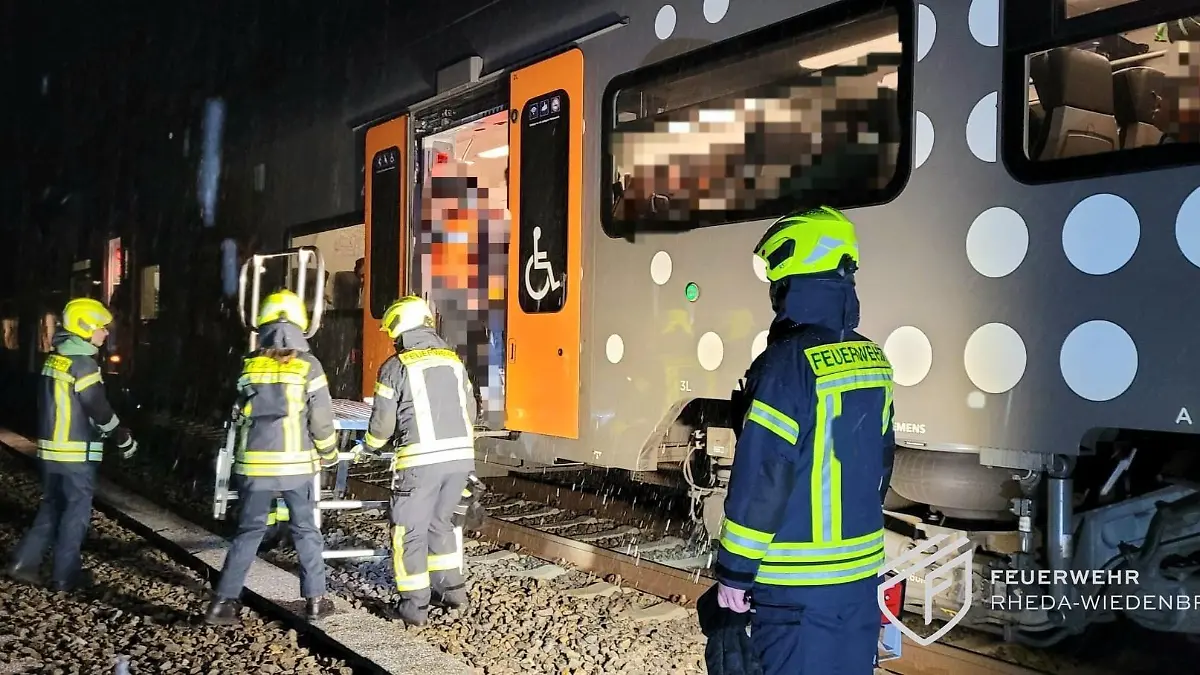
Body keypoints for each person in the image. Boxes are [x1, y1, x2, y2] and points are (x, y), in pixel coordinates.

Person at [713, 206, 896, 675]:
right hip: (857, 583)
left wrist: (734, 574)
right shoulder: (873, 361)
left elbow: (763, 481)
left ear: (793, 282)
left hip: (794, 594)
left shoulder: (783, 366)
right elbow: (881, 466)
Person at [204, 289, 338, 625]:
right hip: (296, 467)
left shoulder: (248, 367)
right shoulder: (309, 367)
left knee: (248, 532)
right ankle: (315, 601)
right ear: (301, 324)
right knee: (306, 530)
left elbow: (236, 413)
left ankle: (223, 602)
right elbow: (321, 420)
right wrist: (330, 454)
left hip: (254, 468)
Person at [5, 298, 137, 592]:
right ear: (84, 328)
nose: (105, 333)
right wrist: (120, 435)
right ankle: (65, 575)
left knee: (52, 507)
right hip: (75, 453)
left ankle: (23, 562)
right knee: (76, 513)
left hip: (51, 450)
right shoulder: (83, 364)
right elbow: (97, 406)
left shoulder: (56, 359)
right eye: (101, 328)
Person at [361, 295, 476, 626]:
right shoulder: (453, 361)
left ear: (400, 329)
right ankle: (453, 594)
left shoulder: (396, 366)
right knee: (442, 525)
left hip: (419, 463)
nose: (393, 340)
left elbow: (381, 427)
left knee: (409, 532)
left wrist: (369, 446)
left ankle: (413, 608)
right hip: (460, 461)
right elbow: (471, 411)